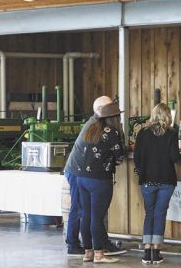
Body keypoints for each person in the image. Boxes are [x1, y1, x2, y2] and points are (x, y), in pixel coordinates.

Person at [64, 96, 126, 257]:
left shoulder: (92, 124)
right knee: (86, 212)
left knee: (86, 213)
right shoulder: (109, 131)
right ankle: (83, 246)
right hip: (88, 175)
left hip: (80, 174)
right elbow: (119, 157)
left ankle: (89, 250)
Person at [133, 103, 179, 265]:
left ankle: (147, 252)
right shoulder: (171, 134)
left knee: (149, 213)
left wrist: (142, 169)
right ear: (168, 116)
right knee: (160, 213)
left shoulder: (142, 133)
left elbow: (136, 156)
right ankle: (156, 252)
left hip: (147, 180)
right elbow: (175, 157)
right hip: (166, 179)